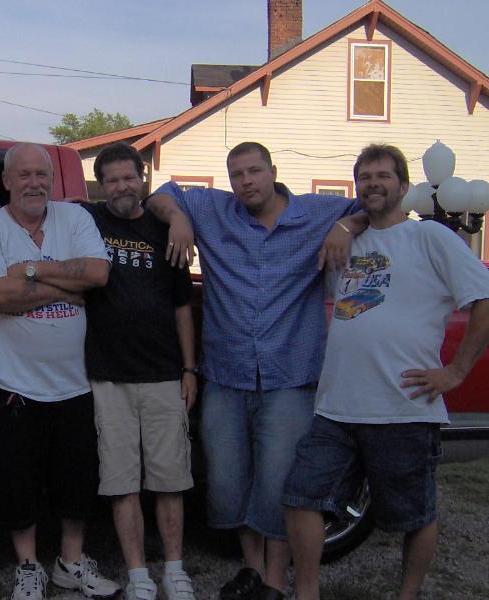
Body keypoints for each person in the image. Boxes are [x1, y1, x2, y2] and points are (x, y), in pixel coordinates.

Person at [145, 141, 366, 600]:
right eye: (237, 175)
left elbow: (371, 205)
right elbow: (161, 194)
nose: (246, 181)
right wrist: (178, 218)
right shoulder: (213, 210)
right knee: (228, 484)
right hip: (226, 375)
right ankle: (251, 566)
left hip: (290, 377)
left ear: (273, 171)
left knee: (278, 484)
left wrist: (346, 225)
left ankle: (273, 580)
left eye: (254, 171)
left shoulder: (318, 212)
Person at [283, 144, 489, 600]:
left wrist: (456, 371)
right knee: (301, 497)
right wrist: (343, 225)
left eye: (383, 176)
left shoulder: (430, 237)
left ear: (403, 185)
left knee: (414, 515)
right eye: (365, 177)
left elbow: (483, 299)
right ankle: (306, 593)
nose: (373, 184)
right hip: (337, 406)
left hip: (403, 407)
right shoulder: (347, 242)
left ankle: (407, 594)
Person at [0, 143, 120, 600]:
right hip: (10, 383)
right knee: (17, 482)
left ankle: (70, 562)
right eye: (25, 175)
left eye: (42, 174)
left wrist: (30, 270)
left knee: (77, 481)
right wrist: (67, 289)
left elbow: (98, 274)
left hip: (74, 383)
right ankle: (28, 566)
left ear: (52, 180)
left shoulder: (74, 219)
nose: (34, 183)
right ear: (7, 181)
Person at [78, 142, 197, 600]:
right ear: (101, 186)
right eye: (111, 180)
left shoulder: (164, 228)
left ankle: (175, 571)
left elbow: (182, 306)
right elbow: (37, 208)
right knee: (121, 482)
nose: (121, 187)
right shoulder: (88, 220)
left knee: (171, 480)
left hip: (164, 375)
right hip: (108, 377)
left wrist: (189, 368)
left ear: (142, 178)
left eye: (129, 177)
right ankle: (139, 576)